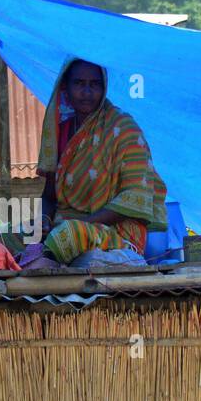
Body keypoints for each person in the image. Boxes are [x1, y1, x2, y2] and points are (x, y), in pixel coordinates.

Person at [31, 58, 166, 266]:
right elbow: (49, 195)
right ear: (65, 86)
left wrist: (82, 223)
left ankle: (40, 266)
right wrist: (43, 221)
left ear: (104, 88)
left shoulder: (124, 128)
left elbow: (136, 196)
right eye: (79, 84)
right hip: (62, 225)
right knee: (11, 232)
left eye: (94, 84)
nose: (86, 92)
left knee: (70, 234)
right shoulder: (61, 131)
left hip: (115, 232)